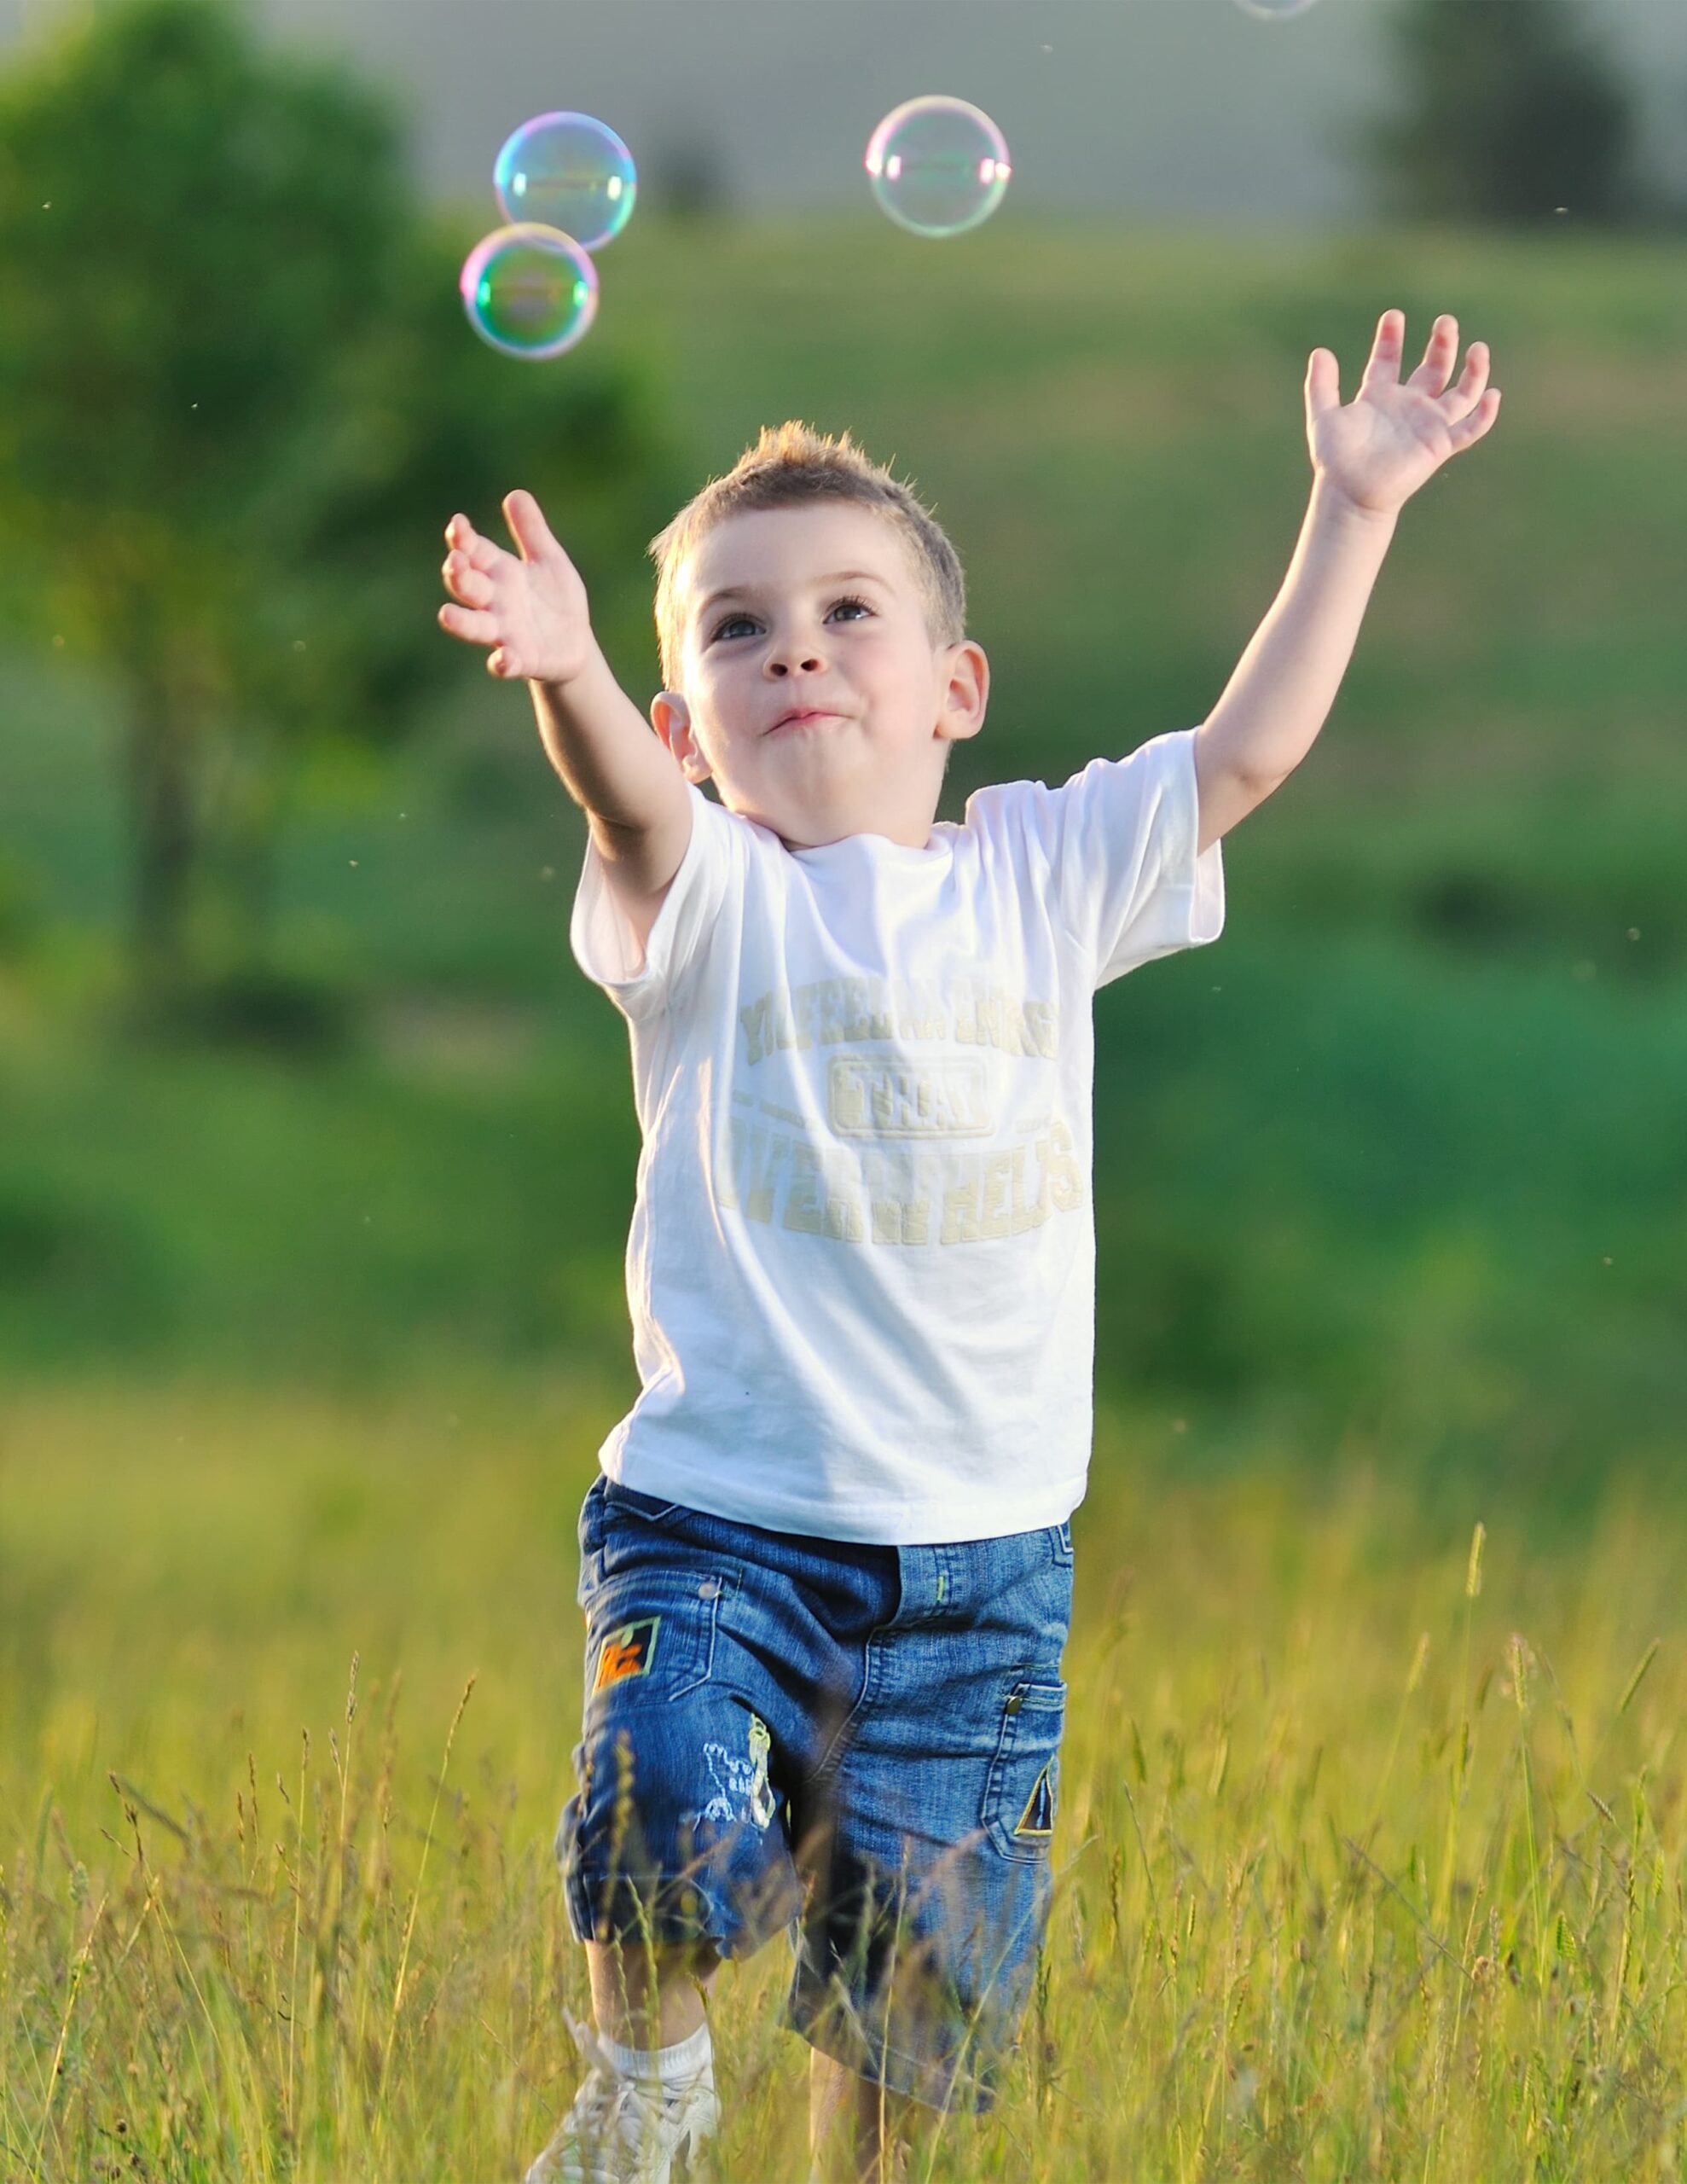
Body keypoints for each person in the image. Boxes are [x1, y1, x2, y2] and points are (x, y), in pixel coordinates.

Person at [437, 308, 1500, 2183]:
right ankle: (645, 2090)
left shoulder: (1038, 867)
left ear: (958, 684)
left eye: (851, 613)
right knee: (660, 1799)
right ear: (690, 718)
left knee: (916, 2011)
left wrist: (1352, 512)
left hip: (984, 1566)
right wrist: (568, 670)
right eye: (739, 629)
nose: (799, 649)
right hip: (721, 1516)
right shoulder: (705, 900)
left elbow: (1243, 754)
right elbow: (618, 795)